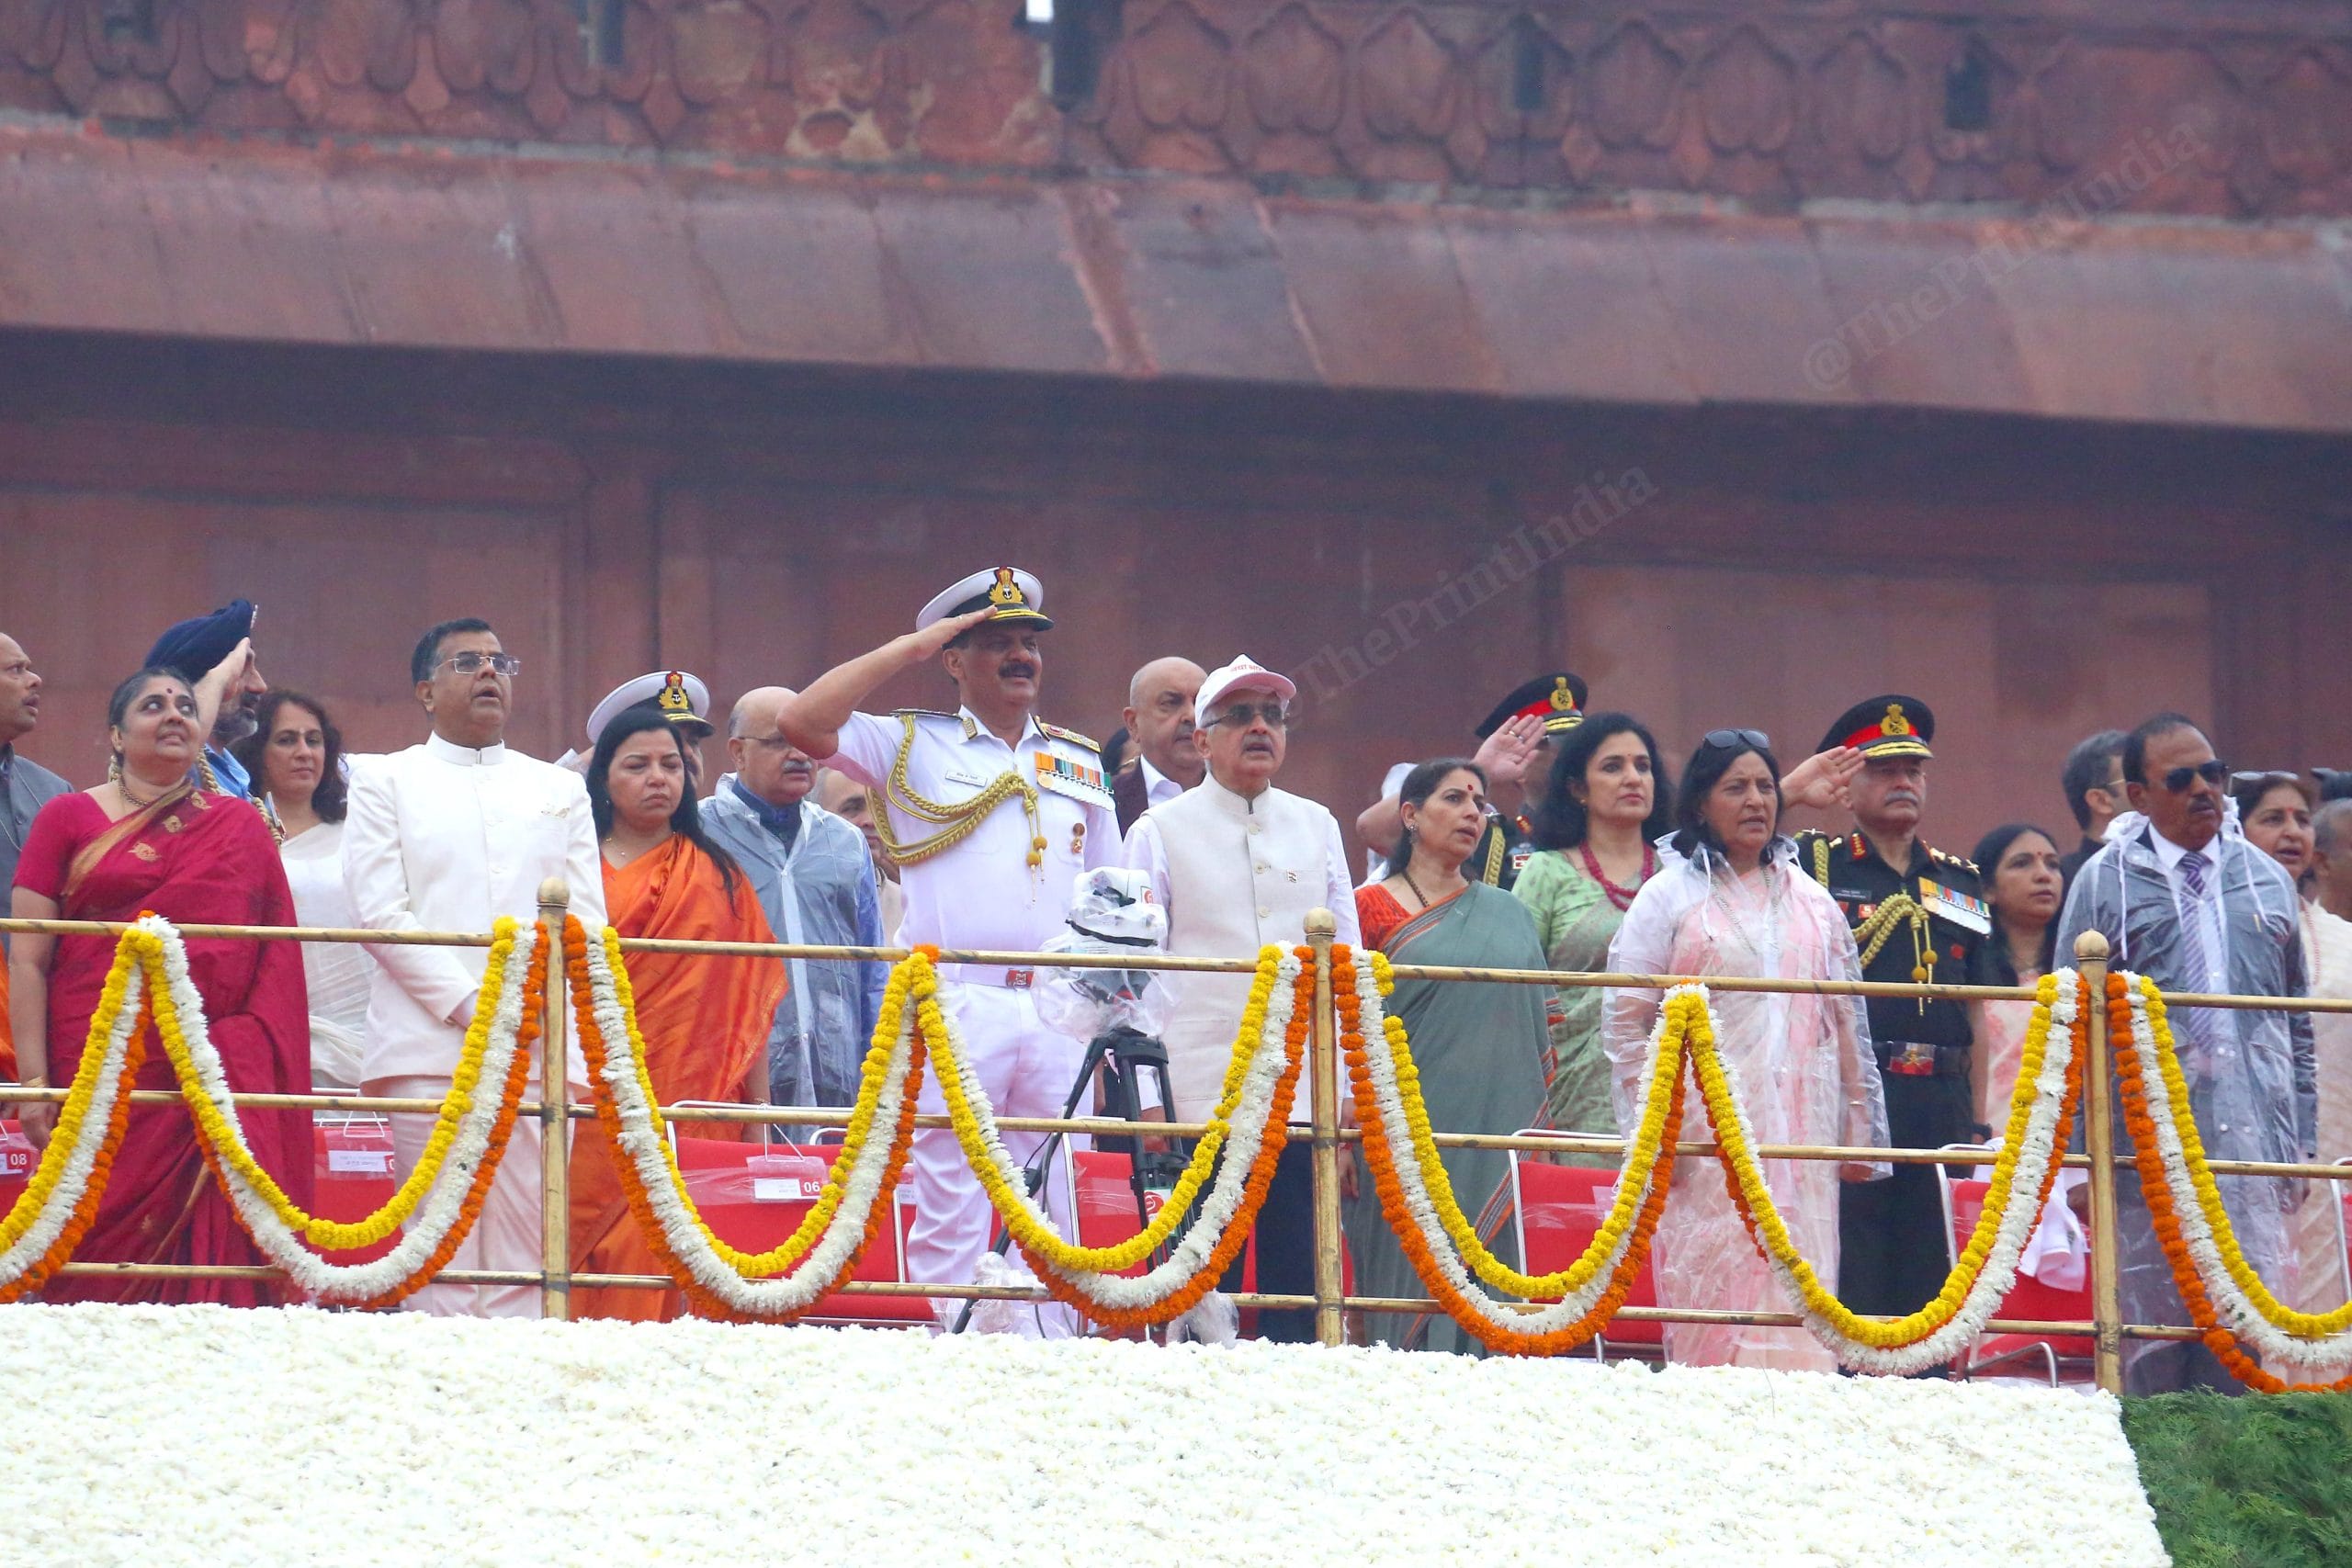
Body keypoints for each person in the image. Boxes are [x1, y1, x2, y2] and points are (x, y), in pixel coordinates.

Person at [780, 567, 1118, 1331]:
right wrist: (909, 646)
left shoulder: (1076, 758)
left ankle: (1049, 1357)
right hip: (956, 999)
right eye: (995, 642)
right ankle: (953, 1352)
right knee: (952, 1190)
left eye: (1029, 642)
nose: (1019, 656)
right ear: (954, 658)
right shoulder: (908, 741)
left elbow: (1111, 888)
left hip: (1059, 1002)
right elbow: (804, 720)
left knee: (1051, 1188)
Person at [6, 668, 311, 1304]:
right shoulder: (67, 815)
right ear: (116, 736)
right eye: (152, 706)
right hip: (92, 1053)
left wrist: (241, 1048)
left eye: (183, 705)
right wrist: (35, 1083)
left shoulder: (239, 825)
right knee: (92, 1223)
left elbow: (270, 960)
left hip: (207, 1067)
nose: (173, 714)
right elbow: (29, 958)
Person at [344, 617, 605, 1319]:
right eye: (468, 661)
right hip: (429, 1043)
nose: (490, 671)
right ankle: (437, 1406)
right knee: (439, 1241)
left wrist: (534, 1010)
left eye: (500, 660)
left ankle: (521, 1409)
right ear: (426, 690)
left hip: (540, 1042)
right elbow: (379, 913)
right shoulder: (383, 778)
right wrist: (472, 1005)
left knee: (530, 1241)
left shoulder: (558, 787)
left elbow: (588, 921)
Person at [1604, 730, 1889, 1371]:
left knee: (1801, 1287)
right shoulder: (1669, 894)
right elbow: (1626, 1023)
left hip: (1801, 1133)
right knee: (1715, 1294)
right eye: (1736, 787)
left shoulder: (1812, 899)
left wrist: (1859, 1126)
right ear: (1701, 803)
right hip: (1703, 1138)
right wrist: (1656, 1133)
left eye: (1765, 785)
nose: (1756, 799)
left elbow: (1846, 1023)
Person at [2057, 713, 2315, 1394]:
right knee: (2154, 1354)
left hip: (2250, 1151)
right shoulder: (2103, 881)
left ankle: (2232, 1497)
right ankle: (2157, 1498)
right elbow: (2068, 1031)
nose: (2205, 787)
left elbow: (2299, 1026)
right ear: (2139, 796)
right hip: (2142, 1155)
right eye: (2182, 778)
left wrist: (2301, 1146)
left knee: (2244, 1350)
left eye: (2215, 772)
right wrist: (2081, 1162)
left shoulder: (2265, 878)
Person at [1121, 656, 1358, 1343]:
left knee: (1299, 1290)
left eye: (1273, 716)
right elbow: (1133, 976)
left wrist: (1341, 1094)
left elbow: (1342, 969)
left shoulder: (1318, 825)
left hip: (1299, 1096)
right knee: (1198, 1290)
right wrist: (1150, 1103)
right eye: (1241, 716)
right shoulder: (1159, 831)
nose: (1260, 728)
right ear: (1202, 738)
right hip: (1196, 1095)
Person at [571, 705, 786, 1321]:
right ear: (604, 778)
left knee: (685, 1263)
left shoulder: (719, 875)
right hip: (591, 1111)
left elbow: (751, 1007)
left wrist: (760, 1116)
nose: (658, 777)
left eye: (671, 764)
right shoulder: (574, 869)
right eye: (636, 765)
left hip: (698, 1116)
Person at [1791, 697, 1989, 1341]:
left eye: (1914, 769)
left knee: (1934, 1279)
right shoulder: (1816, 864)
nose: (1903, 781)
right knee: (1857, 1268)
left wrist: (1979, 1120)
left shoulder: (1958, 880)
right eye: (1883, 769)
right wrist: (1792, 792)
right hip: (1855, 1096)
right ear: (1846, 786)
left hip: (1941, 1101)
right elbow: (1727, 848)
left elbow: (1977, 1009)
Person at [1346, 758, 1551, 1353]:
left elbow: (1543, 1030)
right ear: (1409, 815)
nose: (1471, 812)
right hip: (1395, 1144)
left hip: (1496, 1140)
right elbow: (1340, 1026)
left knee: (1496, 1299)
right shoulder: (1367, 910)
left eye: (1480, 803)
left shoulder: (1510, 912)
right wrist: (1342, 1131)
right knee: (1403, 1305)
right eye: (1453, 798)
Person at [704, 690, 887, 1115]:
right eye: (779, 741)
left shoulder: (844, 842)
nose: (799, 755)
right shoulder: (700, 833)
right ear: (738, 752)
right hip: (735, 1072)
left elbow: (873, 970)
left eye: (806, 741)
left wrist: (878, 1069)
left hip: (838, 1076)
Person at [1510, 713, 1672, 1149]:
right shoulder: (1547, 872)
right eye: (1613, 767)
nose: (1633, 778)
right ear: (1578, 788)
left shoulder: (1681, 875)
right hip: (1568, 1095)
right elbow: (1516, 994)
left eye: (1643, 766)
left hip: (1673, 1093)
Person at [232, 691, 374, 1091]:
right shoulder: (239, 833)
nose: (303, 752)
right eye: (286, 739)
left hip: (367, 1035)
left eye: (314, 740)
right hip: (279, 1032)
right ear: (257, 751)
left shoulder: (360, 831)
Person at [1355, 673, 1588, 891]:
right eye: (1559, 744)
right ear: (1519, 766)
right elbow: (1374, 829)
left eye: (1584, 744)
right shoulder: (1487, 837)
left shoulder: (1613, 833)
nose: (1576, 756)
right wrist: (1479, 770)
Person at [1969, 824, 2064, 1120]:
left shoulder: (2079, 976)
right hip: (1986, 1146)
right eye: (2021, 863)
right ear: (1987, 889)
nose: (2043, 875)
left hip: (2069, 1150)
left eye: (2052, 864)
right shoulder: (1966, 975)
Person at [144, 600, 271, 803]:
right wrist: (220, 679)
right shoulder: (161, 763)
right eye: (241, 670)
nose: (260, 686)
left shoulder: (235, 775)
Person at [560, 671, 716, 790]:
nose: (688, 752)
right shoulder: (588, 828)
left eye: (693, 742)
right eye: (671, 741)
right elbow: (543, 803)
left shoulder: (718, 825)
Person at [1114, 657, 1205, 835]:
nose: (1192, 715)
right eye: (1171, 703)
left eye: (1201, 703)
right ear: (1133, 723)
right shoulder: (1105, 802)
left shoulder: (1242, 800)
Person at [813, 765, 906, 941]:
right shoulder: (797, 898)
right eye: (852, 808)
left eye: (879, 809)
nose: (871, 821)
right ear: (814, 818)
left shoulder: (913, 908)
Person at [2059, 729, 2130, 891]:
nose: (2152, 786)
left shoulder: (2180, 868)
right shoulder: (2063, 884)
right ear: (2101, 800)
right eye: (2135, 777)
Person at [2233, 771, 2315, 892]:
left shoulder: (2319, 912)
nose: (2295, 832)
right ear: (2237, 831)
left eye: (2303, 820)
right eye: (2274, 819)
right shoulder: (2209, 907)